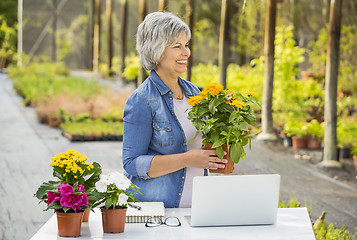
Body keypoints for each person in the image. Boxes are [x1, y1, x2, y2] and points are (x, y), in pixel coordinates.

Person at [122, 12, 227, 208]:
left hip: (199, 208)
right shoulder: (142, 100)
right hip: (160, 211)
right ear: (156, 51)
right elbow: (132, 163)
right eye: (177, 46)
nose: (186, 52)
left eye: (186, 45)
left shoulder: (193, 92)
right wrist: (187, 159)